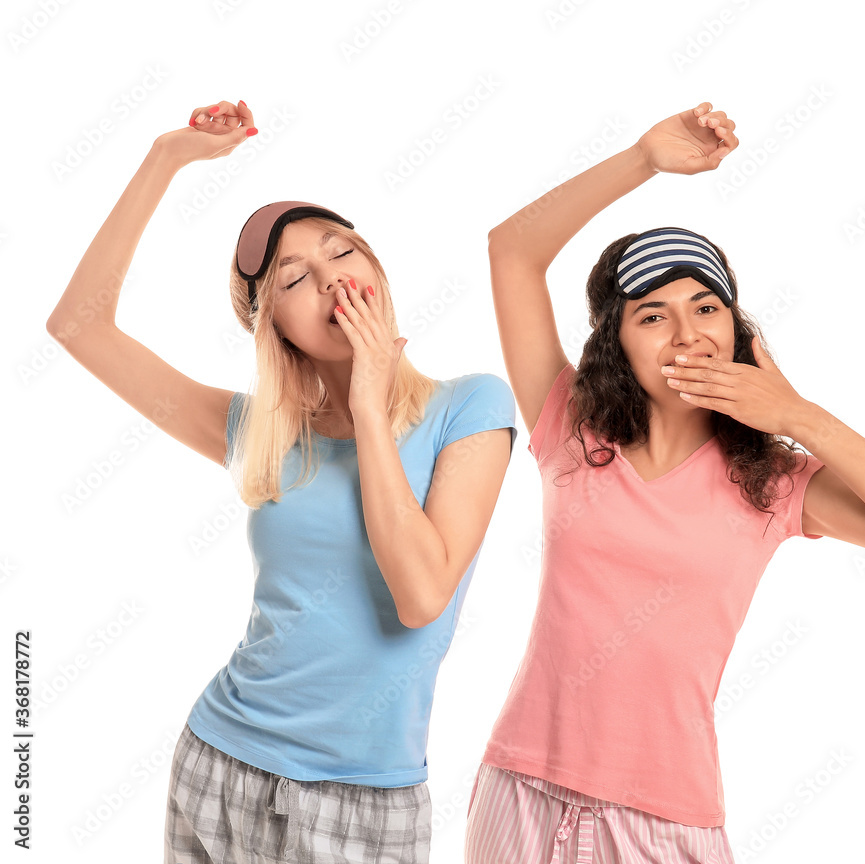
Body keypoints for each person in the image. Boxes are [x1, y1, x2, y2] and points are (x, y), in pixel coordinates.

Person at [464, 102, 865, 863]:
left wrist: (794, 412)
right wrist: (642, 158)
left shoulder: (772, 484)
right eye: (652, 316)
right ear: (617, 346)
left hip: (667, 817)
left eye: (706, 308)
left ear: (737, 329)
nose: (688, 332)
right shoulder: (570, 427)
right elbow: (511, 251)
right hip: (521, 788)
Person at [46, 99, 516, 864]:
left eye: (344, 253)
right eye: (298, 277)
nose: (335, 282)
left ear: (375, 267)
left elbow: (421, 595)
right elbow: (77, 326)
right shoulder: (258, 433)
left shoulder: (471, 406)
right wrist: (168, 157)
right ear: (275, 326)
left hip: (364, 796)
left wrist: (370, 406)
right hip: (220, 760)